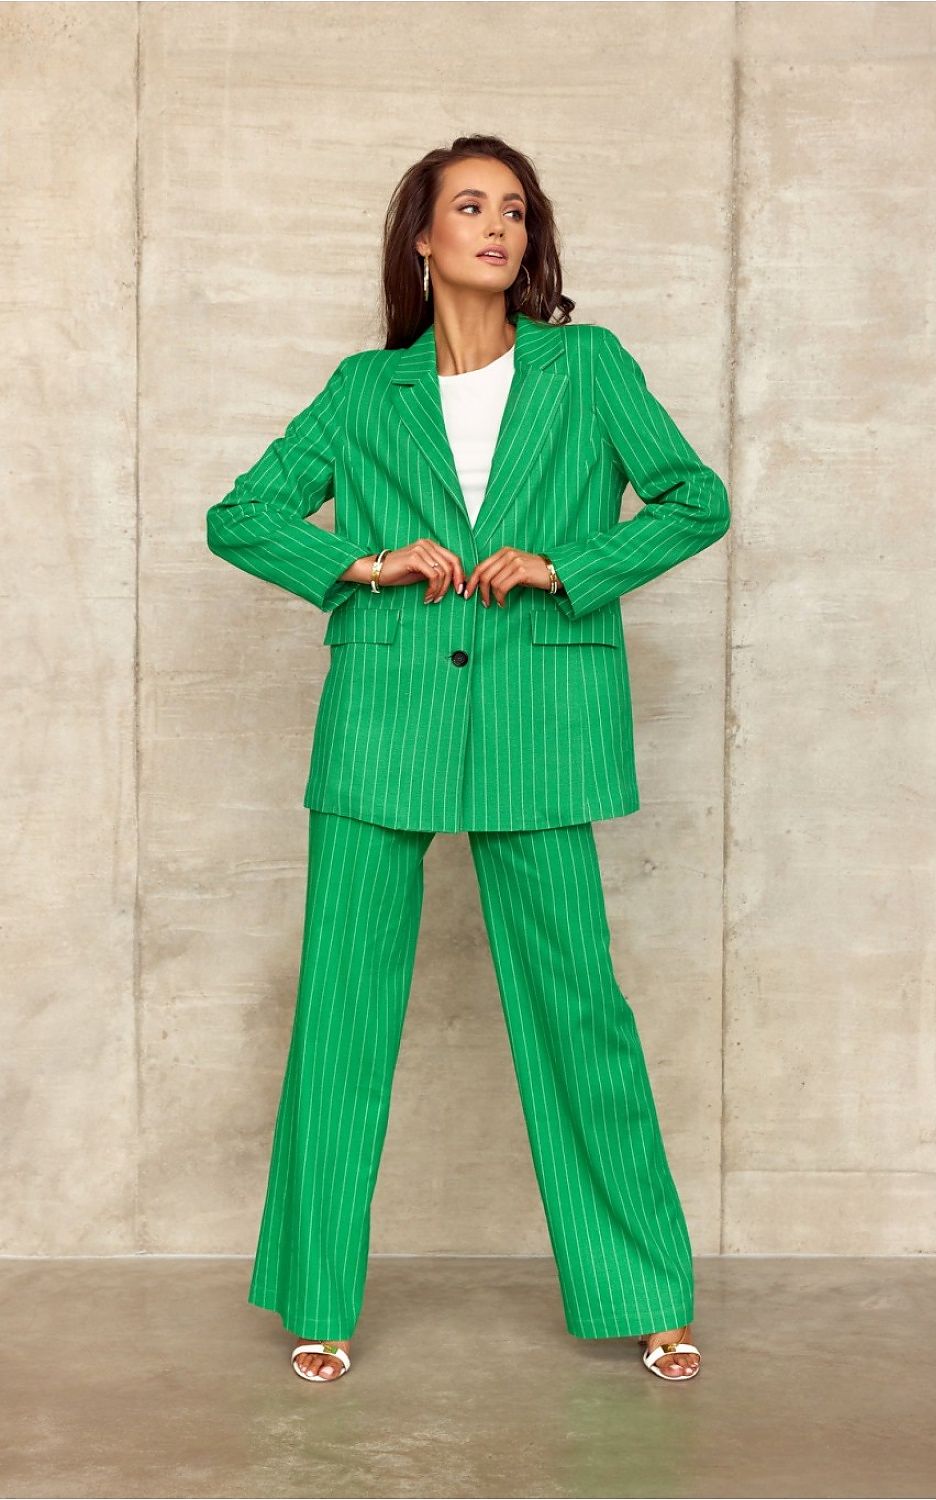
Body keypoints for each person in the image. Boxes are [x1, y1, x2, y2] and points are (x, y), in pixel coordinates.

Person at [206, 133, 729, 1386]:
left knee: (577, 1011)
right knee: (339, 1012)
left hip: (541, 724)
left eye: (515, 210)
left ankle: (646, 1290)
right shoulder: (362, 390)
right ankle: (318, 1296)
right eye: (469, 207)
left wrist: (570, 563)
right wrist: (362, 560)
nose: (496, 227)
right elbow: (242, 514)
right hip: (383, 718)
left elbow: (692, 498)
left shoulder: (586, 367)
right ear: (423, 239)